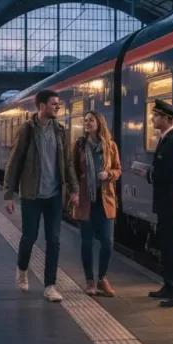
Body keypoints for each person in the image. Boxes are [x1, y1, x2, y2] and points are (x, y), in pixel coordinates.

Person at [3, 89, 78, 302]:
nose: (58, 107)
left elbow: (68, 162)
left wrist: (73, 189)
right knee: (30, 237)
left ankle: (50, 285)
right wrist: (8, 193)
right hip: (31, 195)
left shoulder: (60, 131)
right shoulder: (27, 130)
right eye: (54, 103)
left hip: (54, 195)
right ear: (42, 106)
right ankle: (22, 269)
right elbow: (14, 161)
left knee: (54, 240)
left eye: (58, 104)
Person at [143, 99, 173, 308]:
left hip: (172, 203)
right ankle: (169, 285)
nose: (152, 118)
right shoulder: (165, 139)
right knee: (167, 246)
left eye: (155, 115)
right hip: (165, 203)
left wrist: (150, 175)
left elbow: (172, 175)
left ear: (166, 118)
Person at [72, 110, 121, 297]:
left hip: (105, 199)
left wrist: (109, 174)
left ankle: (102, 278)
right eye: (85, 121)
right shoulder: (79, 145)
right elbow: (73, 171)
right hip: (86, 200)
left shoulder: (110, 146)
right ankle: (90, 281)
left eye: (90, 120)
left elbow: (118, 169)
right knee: (86, 242)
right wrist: (74, 191)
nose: (87, 123)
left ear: (99, 123)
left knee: (108, 242)